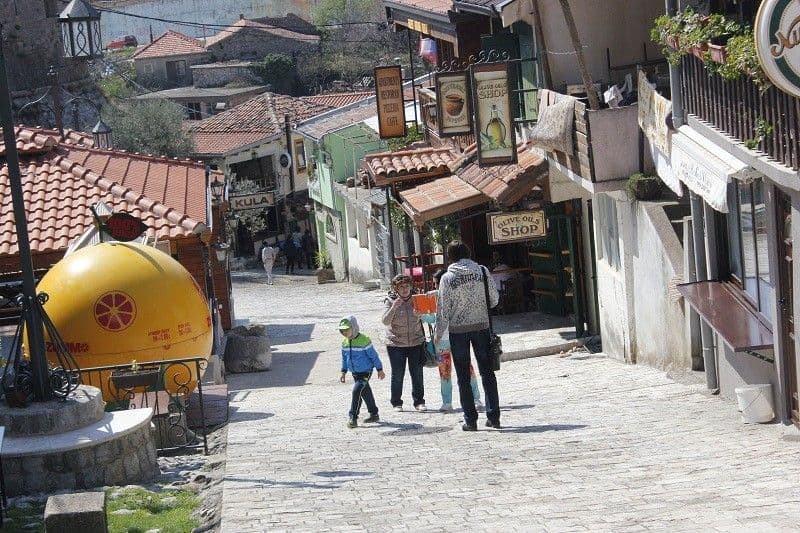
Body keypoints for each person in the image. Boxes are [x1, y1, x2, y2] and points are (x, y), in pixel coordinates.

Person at [435, 240, 500, 431]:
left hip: (458, 331)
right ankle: (494, 417)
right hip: (481, 328)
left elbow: (443, 309)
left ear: (450, 257)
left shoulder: (447, 278)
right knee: (487, 373)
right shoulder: (482, 271)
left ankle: (470, 420)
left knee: (463, 376)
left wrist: (439, 333)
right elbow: (494, 300)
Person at [423, 269, 482, 413]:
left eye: (437, 283)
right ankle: (449, 402)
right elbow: (434, 318)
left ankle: (474, 399)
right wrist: (421, 315)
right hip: (446, 340)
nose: (435, 286)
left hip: (455, 338)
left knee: (466, 370)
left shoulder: (453, 294)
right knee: (447, 373)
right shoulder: (436, 297)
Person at [382, 274, 426, 412]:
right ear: (396, 289)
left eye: (407, 286)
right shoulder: (390, 301)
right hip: (396, 343)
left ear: (411, 286)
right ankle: (396, 402)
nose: (405, 289)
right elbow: (385, 321)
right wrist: (393, 308)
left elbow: (429, 317)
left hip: (416, 342)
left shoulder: (417, 299)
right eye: (401, 287)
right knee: (397, 374)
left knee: (417, 374)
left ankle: (419, 402)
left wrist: (421, 315)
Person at [339, 315, 385, 428]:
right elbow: (344, 358)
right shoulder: (344, 343)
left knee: (356, 391)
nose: (344, 332)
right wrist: (343, 371)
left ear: (354, 328)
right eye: (342, 330)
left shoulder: (364, 340)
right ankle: (374, 413)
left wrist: (379, 369)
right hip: (354, 372)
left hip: (365, 372)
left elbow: (373, 356)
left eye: (347, 329)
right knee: (365, 392)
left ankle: (353, 417)